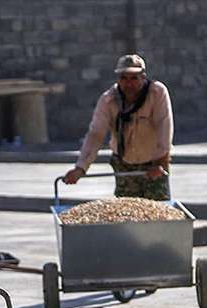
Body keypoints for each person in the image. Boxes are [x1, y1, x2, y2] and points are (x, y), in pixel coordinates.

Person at [63, 54, 173, 200]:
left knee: (158, 210)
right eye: (124, 78)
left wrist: (160, 162)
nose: (129, 84)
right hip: (124, 164)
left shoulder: (157, 93)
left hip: (153, 163)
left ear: (143, 77)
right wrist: (81, 168)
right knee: (128, 211)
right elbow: (95, 134)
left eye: (134, 78)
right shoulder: (108, 100)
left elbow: (164, 127)